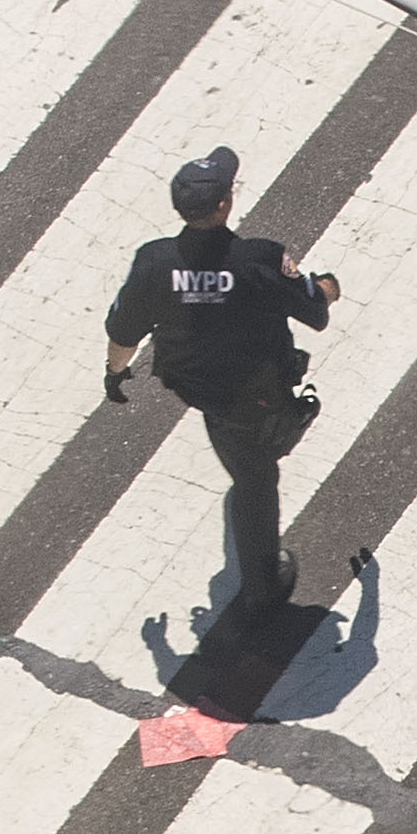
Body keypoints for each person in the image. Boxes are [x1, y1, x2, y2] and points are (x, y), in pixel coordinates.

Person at [102, 145, 339, 611]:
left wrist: (115, 373)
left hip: (205, 394)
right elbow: (315, 311)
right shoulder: (258, 258)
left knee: (245, 461)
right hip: (258, 394)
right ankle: (263, 592)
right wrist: (328, 287)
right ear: (224, 204)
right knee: (256, 482)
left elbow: (123, 332)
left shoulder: (154, 262)